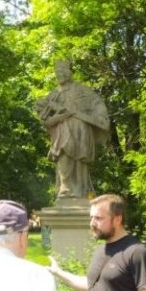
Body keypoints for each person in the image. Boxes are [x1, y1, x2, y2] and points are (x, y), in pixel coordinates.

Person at [35, 60, 110, 198]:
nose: (60, 75)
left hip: (81, 129)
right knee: (64, 153)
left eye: (63, 72)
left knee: (80, 160)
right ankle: (65, 189)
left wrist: (100, 116)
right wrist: (51, 115)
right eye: (57, 73)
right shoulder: (54, 93)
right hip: (62, 130)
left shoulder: (82, 90)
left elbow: (97, 104)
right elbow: (43, 114)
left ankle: (80, 191)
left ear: (70, 73)